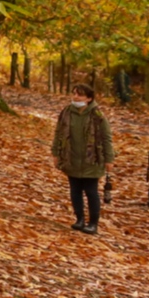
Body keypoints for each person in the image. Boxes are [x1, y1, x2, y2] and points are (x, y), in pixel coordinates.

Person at [54, 85, 113, 234]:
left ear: (89, 98)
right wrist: (56, 153)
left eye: (80, 95)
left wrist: (109, 159)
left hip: (92, 159)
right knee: (75, 190)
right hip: (71, 157)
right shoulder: (67, 112)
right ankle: (79, 219)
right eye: (74, 94)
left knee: (91, 191)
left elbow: (106, 138)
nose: (76, 97)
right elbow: (58, 133)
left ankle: (93, 223)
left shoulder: (97, 115)